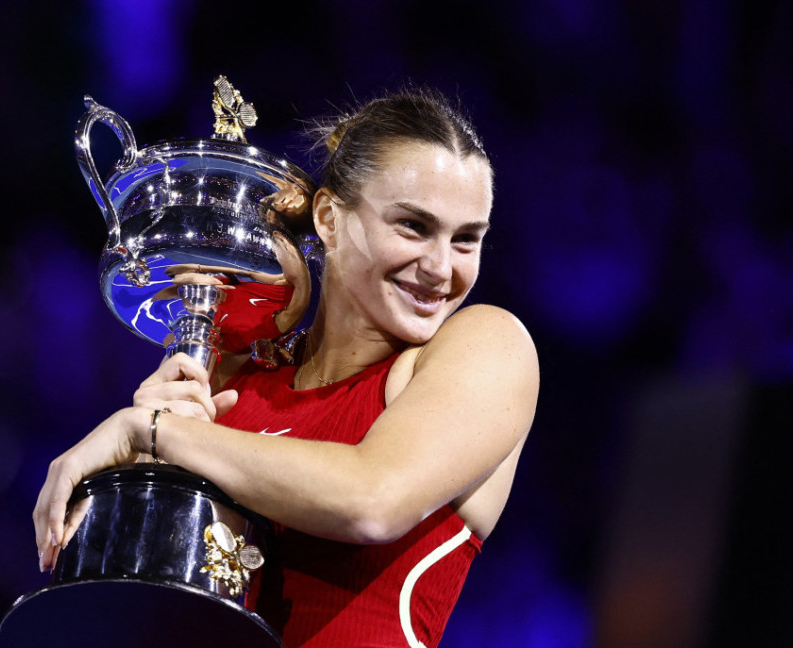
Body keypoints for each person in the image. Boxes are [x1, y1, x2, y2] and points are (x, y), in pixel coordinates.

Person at [33, 87, 540, 648]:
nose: (442, 268)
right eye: (414, 227)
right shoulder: (236, 383)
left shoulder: (487, 346)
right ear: (328, 217)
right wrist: (137, 482)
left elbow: (371, 500)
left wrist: (153, 432)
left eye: (467, 239)